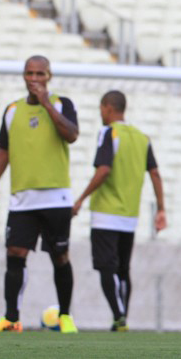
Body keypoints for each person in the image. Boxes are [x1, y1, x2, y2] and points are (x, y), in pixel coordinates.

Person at [0, 55, 79, 334]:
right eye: (29, 73)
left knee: (60, 256)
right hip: (22, 198)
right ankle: (11, 319)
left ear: (49, 77)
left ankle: (65, 316)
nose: (34, 79)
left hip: (56, 196)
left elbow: (72, 135)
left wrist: (46, 103)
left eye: (40, 74)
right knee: (14, 253)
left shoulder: (62, 104)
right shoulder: (12, 110)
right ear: (23, 76)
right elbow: (4, 149)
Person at [72, 90, 166, 332]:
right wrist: (161, 209)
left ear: (107, 107)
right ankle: (122, 317)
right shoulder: (142, 138)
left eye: (101, 109)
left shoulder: (108, 132)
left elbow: (103, 170)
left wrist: (81, 198)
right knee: (123, 269)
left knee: (106, 267)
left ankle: (118, 315)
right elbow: (155, 173)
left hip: (106, 213)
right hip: (129, 215)